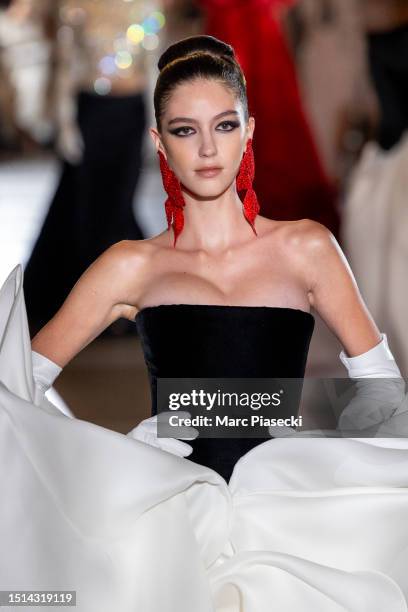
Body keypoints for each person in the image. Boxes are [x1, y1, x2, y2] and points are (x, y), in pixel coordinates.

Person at [1, 34, 408, 611]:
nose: (208, 149)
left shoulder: (307, 248)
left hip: (287, 505)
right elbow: (15, 385)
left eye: (223, 125)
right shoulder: (132, 264)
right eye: (185, 130)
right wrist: (89, 466)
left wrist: (338, 459)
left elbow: (383, 393)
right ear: (159, 143)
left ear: (250, 130)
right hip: (169, 508)